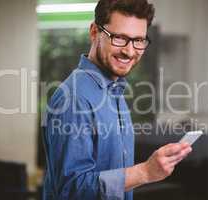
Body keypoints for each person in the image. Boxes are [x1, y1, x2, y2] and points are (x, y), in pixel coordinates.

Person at [42, 0, 192, 199]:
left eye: (138, 40)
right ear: (94, 32)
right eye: (119, 38)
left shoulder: (115, 93)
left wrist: (150, 170)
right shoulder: (74, 99)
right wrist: (145, 172)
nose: (129, 51)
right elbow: (72, 190)